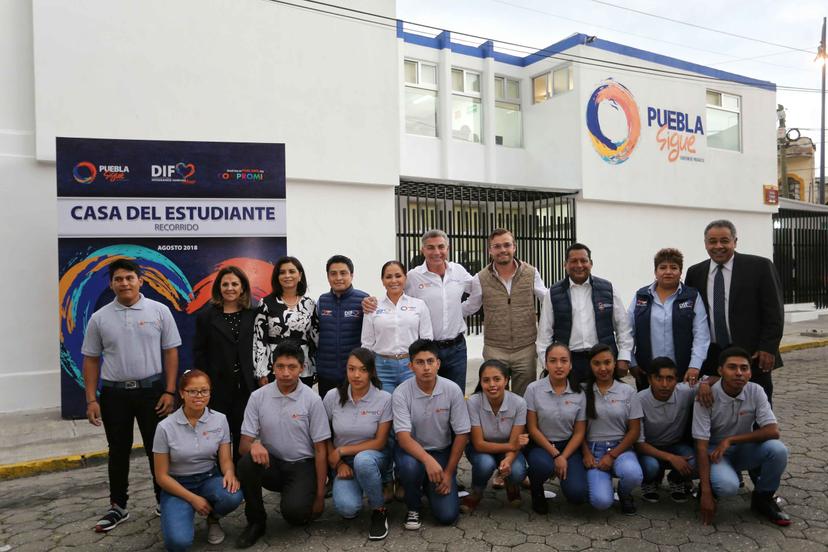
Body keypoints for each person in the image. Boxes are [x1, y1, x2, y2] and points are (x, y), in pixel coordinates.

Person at [82, 258, 181, 532]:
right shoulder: (99, 318)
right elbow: (90, 359)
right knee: (118, 451)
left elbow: (171, 351)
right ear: (111, 284)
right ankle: (118, 506)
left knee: (157, 449)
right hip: (114, 395)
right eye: (118, 279)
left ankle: (165, 500)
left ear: (141, 280)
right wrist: (91, 399)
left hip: (152, 392)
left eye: (129, 277)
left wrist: (170, 391)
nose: (124, 283)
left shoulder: (159, 311)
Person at [235, 341, 330, 548]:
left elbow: (321, 450)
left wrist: (320, 497)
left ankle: (299, 496)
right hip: (273, 464)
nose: (285, 373)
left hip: (302, 465)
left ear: (302, 368)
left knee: (295, 514)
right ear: (272, 366)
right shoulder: (258, 397)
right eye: (280, 366)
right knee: (246, 463)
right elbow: (244, 444)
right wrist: (254, 446)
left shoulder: (312, 400)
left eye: (292, 367)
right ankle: (256, 522)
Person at [685, 220, 784, 403]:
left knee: (756, 409)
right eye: (712, 241)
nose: (718, 246)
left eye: (724, 240)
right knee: (713, 408)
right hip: (713, 356)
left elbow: (774, 311)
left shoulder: (760, 267)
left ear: (735, 241)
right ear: (705, 243)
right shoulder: (695, 273)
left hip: (752, 355)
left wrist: (768, 347)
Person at [365, 230, 473, 393]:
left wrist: (462, 310)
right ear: (422, 250)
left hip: (456, 348)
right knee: (426, 395)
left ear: (448, 248)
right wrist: (371, 301)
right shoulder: (414, 277)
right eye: (430, 247)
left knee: (455, 395)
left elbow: (477, 290)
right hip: (427, 349)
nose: (436, 252)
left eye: (441, 247)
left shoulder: (458, 271)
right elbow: (397, 298)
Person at [693, 346, 790, 526]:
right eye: (732, 367)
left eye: (744, 368)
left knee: (778, 450)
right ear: (720, 371)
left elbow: (773, 431)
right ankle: (712, 487)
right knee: (728, 487)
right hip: (715, 453)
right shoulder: (706, 395)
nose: (739, 373)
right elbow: (701, 445)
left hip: (742, 448)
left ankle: (763, 498)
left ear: (750, 373)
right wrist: (705, 492)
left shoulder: (756, 391)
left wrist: (730, 440)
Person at [153, 370, 243, 551]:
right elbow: (161, 477)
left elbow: (225, 459)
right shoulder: (165, 427)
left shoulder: (219, 420)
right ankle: (185, 512)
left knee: (233, 496)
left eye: (204, 391)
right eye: (192, 391)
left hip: (208, 478)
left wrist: (230, 473)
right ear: (181, 393)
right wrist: (193, 499)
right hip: (177, 486)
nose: (199, 396)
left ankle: (213, 518)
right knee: (178, 543)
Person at [393, 339, 471, 529]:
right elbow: (403, 437)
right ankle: (413, 507)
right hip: (412, 452)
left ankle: (430, 485)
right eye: (420, 362)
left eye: (430, 361)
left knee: (447, 516)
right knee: (410, 468)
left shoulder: (452, 390)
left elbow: (462, 434)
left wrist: (449, 472)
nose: (426, 367)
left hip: (442, 452)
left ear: (438, 363)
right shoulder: (401, 393)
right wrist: (428, 461)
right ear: (411, 366)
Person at [461, 229, 547, 396]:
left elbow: (546, 297)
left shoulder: (531, 272)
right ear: (490, 251)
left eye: (507, 245)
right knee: (495, 396)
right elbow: (471, 306)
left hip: (526, 348)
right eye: (497, 246)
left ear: (514, 247)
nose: (502, 250)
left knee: (524, 398)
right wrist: (446, 310)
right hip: (495, 348)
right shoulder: (481, 277)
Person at [537, 243, 634, 384]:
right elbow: (544, 334)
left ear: (591, 263)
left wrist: (624, 357)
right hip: (569, 363)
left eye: (583, 260)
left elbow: (623, 328)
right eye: (574, 261)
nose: (579, 265)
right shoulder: (553, 293)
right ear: (565, 265)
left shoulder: (608, 289)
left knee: (603, 404)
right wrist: (547, 364)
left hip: (603, 361)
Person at [322, 348, 393, 540]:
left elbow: (379, 442)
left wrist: (342, 450)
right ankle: (367, 486)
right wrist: (338, 464)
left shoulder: (384, 399)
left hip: (374, 457)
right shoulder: (332, 397)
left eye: (362, 369)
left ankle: (379, 510)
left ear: (371, 371)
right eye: (351, 369)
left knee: (363, 461)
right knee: (348, 509)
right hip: (344, 463)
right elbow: (323, 435)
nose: (356, 375)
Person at [193, 266, 257, 463]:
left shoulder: (254, 313)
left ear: (243, 287)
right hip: (218, 387)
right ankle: (221, 479)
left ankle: (242, 482)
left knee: (243, 436)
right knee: (217, 436)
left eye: (235, 284)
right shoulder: (206, 316)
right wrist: (205, 385)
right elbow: (199, 352)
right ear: (219, 288)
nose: (230, 288)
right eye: (225, 284)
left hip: (247, 387)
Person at [629, 248, 710, 389]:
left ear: (680, 272)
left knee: (684, 410)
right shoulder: (641, 296)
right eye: (662, 267)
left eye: (674, 268)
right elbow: (628, 332)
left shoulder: (692, 296)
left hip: (683, 372)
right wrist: (632, 363)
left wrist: (695, 366)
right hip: (647, 372)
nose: (668, 272)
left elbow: (701, 335)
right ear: (655, 272)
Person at [525, 342, 589, 514]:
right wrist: (555, 455)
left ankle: (568, 477)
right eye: (553, 361)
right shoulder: (533, 389)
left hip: (568, 447)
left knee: (577, 494)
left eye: (564, 361)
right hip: (542, 445)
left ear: (571, 364)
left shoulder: (580, 393)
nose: (559, 366)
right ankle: (536, 489)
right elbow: (532, 428)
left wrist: (563, 456)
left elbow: (579, 432)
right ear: (546, 364)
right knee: (541, 466)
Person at [581, 344, 644, 515]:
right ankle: (603, 486)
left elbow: (634, 431)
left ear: (615, 363)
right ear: (590, 365)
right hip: (593, 451)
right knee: (601, 502)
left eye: (607, 362)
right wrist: (586, 453)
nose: (603, 368)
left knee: (633, 474)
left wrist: (612, 455)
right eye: (597, 363)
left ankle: (624, 494)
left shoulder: (627, 391)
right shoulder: (582, 391)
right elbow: (577, 430)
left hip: (621, 449)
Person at [461, 360, 529, 513]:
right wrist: (512, 445)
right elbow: (478, 444)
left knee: (517, 471)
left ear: (506, 380)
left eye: (497, 379)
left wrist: (509, 458)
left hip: (508, 450)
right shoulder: (473, 402)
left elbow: (515, 443)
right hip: (482, 450)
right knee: (485, 464)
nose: (492, 384)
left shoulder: (519, 403)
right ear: (480, 382)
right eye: (486, 380)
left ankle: (512, 485)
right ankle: (477, 492)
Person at [634, 357, 700, 504]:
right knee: (651, 467)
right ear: (650, 380)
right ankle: (649, 482)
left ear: (676, 380)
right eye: (659, 378)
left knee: (696, 461)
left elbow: (711, 380)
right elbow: (639, 443)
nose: (664, 384)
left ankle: (676, 479)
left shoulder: (684, 392)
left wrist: (706, 385)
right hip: (648, 447)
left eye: (669, 379)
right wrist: (671, 458)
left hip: (674, 444)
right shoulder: (638, 400)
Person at [361, 260, 433, 393]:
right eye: (388, 277)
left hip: (411, 366)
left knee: (410, 405)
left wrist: (422, 364)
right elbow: (367, 343)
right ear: (382, 281)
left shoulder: (419, 305)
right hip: (381, 367)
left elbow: (427, 339)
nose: (393, 280)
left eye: (398, 276)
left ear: (405, 278)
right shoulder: (373, 306)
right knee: (386, 407)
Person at [253, 256, 319, 388]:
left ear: (299, 275)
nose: (287, 275)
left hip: (303, 367)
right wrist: (261, 372)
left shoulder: (310, 304)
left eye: (291, 271)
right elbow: (258, 339)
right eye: (282, 272)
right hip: (273, 367)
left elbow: (315, 338)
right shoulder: (265, 303)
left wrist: (317, 368)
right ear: (277, 277)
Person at [317, 254, 369, 398]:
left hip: (354, 374)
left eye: (343, 273)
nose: (338, 278)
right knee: (328, 417)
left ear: (351, 275)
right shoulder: (322, 301)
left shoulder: (364, 300)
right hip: (326, 373)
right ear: (328, 276)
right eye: (333, 274)